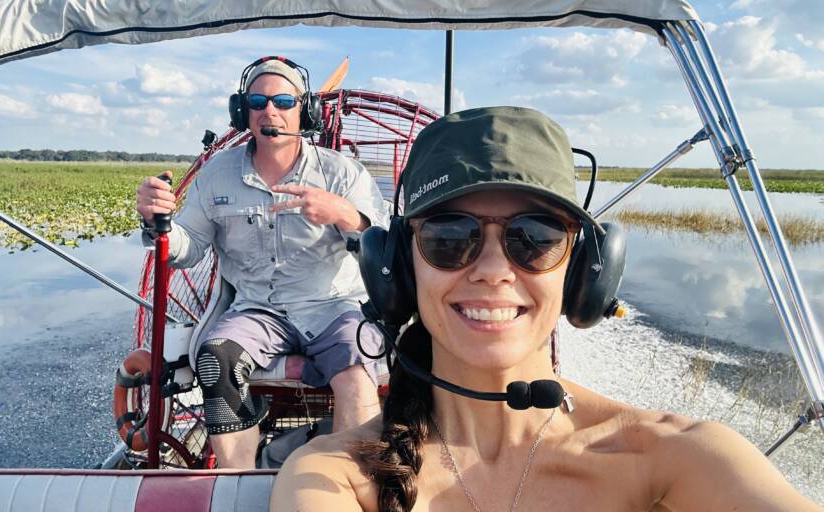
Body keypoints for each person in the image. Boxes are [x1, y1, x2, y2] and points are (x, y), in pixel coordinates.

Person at [270, 107, 822, 511]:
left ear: (584, 272)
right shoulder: (332, 477)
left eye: (534, 237)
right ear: (397, 266)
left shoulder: (676, 458)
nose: (492, 269)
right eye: (447, 236)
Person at [136, 56, 388, 469]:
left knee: (357, 366)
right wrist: (158, 222)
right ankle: (238, 482)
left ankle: (342, 489)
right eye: (258, 102)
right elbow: (189, 248)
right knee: (217, 358)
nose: (270, 111)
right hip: (257, 309)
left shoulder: (342, 174)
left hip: (334, 306)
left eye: (284, 101)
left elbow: (383, 247)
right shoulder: (216, 174)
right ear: (243, 112)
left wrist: (343, 214)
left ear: (303, 111)